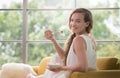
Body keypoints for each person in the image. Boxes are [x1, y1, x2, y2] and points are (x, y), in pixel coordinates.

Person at [27, 8, 96, 78]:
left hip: (71, 75)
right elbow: (64, 57)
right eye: (72, 20)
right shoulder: (89, 39)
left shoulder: (79, 40)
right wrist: (53, 39)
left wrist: (60, 68)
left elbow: (83, 67)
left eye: (78, 21)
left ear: (87, 23)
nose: (73, 24)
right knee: (57, 58)